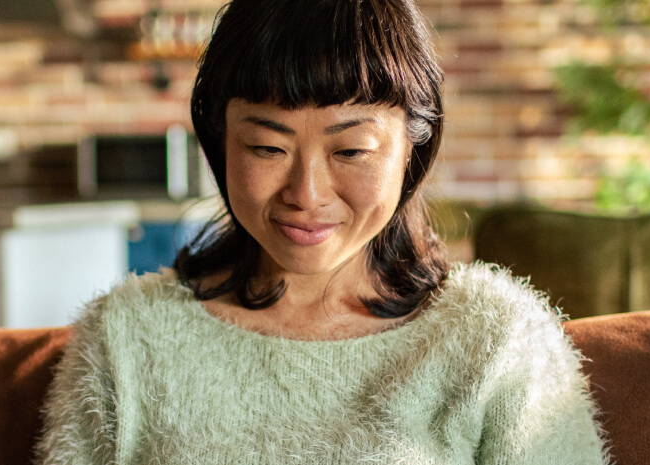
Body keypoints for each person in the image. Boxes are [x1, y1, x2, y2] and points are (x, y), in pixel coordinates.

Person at [35, 0, 610, 462]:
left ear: (415, 145)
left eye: (352, 150)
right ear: (218, 144)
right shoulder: (125, 338)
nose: (306, 194)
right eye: (266, 147)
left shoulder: (495, 339)